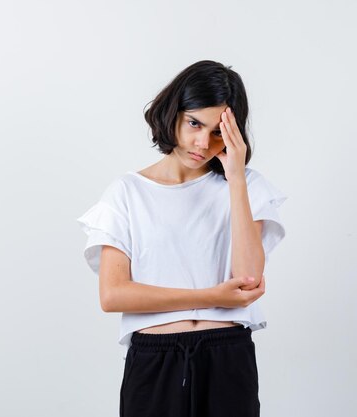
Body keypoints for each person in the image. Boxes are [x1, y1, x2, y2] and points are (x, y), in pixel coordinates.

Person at [76, 60, 288, 417]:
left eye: (218, 132)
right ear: (173, 112)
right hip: (154, 360)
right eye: (194, 123)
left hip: (227, 356)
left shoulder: (247, 186)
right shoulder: (126, 193)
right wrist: (209, 297)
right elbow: (113, 295)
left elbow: (249, 279)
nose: (202, 143)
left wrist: (236, 177)